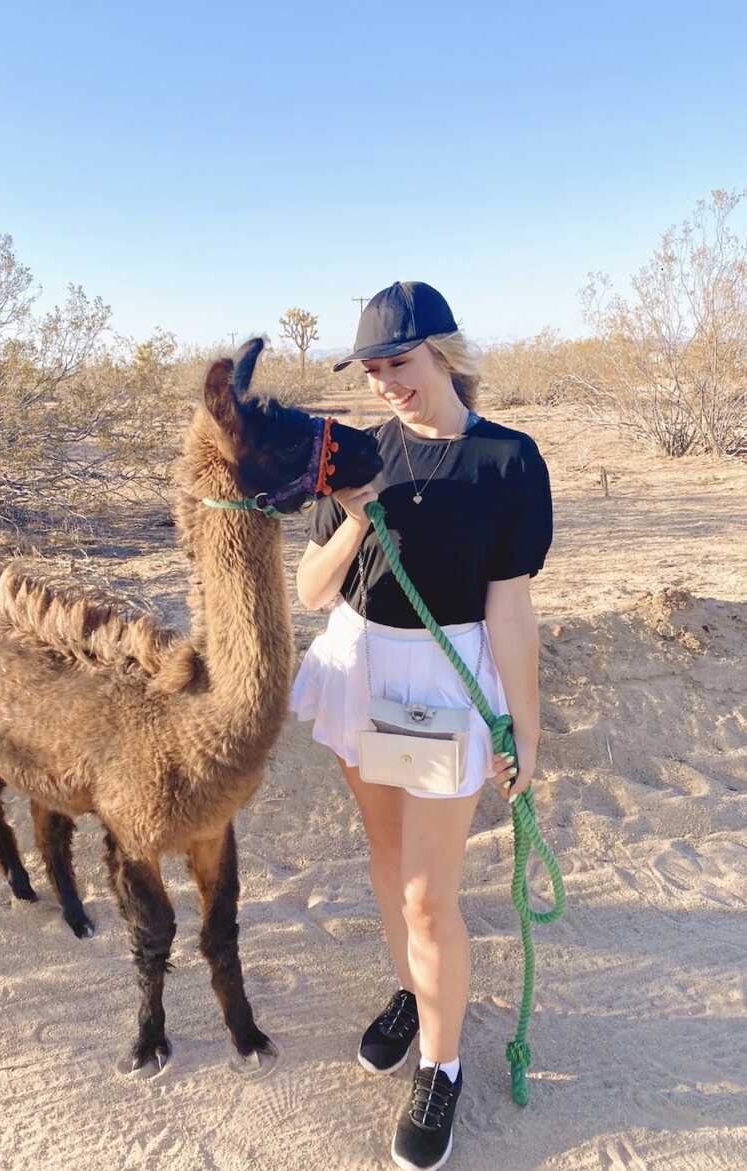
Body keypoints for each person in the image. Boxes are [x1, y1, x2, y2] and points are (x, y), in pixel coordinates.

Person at [290, 281, 553, 1171]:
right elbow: (311, 591)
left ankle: (442, 1065)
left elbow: (511, 610)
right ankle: (411, 993)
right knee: (385, 857)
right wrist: (358, 519)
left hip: (447, 682)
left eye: (398, 363)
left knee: (429, 895)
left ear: (443, 350)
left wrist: (527, 728)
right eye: (371, 370)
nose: (386, 384)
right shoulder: (360, 453)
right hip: (360, 666)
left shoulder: (508, 461)